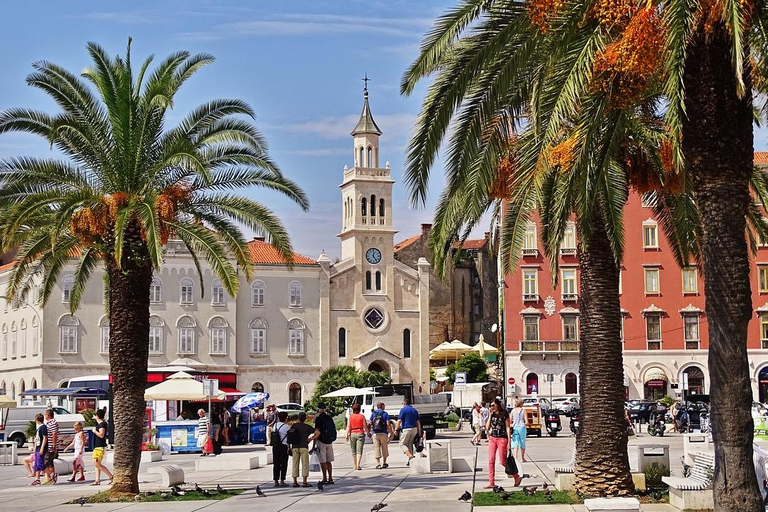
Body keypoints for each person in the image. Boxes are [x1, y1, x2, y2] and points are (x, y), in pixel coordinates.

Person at [485, 399, 522, 488]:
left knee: (503, 461)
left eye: (493, 405)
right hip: (492, 438)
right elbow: (487, 427)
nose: (491, 407)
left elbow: (508, 428)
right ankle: (491, 482)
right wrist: (490, 415)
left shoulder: (504, 414)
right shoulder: (492, 414)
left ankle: (516, 476)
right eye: (490, 406)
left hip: (502, 438)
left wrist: (509, 441)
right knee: (491, 460)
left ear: (498, 405)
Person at [311, 402, 336, 485]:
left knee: (323, 461)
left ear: (318, 409)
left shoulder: (318, 419)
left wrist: (314, 443)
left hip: (321, 441)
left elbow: (317, 432)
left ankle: (325, 478)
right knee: (329, 461)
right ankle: (331, 478)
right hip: (329, 441)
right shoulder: (329, 417)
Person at [288, 411, 314, 487]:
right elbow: (317, 432)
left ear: (298, 418)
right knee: (305, 464)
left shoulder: (294, 426)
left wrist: (289, 446)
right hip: (304, 446)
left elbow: (289, 436)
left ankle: (295, 481)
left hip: (295, 447)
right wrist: (310, 439)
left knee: (295, 464)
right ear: (305, 418)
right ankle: (304, 481)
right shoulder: (307, 427)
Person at [395, 398, 421, 466]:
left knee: (402, 444)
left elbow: (399, 420)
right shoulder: (414, 410)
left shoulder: (403, 410)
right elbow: (418, 422)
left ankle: (410, 456)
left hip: (406, 428)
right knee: (410, 444)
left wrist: (396, 430)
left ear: (404, 403)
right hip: (414, 428)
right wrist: (419, 432)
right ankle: (410, 461)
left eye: (402, 403)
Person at [91, 409, 113, 485]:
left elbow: (101, 434)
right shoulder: (100, 424)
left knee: (96, 463)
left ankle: (110, 476)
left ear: (98, 416)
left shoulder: (102, 424)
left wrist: (94, 431)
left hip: (100, 446)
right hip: (97, 446)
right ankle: (97, 480)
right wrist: (96, 418)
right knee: (97, 464)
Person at [369, 402, 393, 469]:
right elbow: (388, 424)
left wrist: (369, 431)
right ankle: (384, 462)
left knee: (376, 447)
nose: (384, 406)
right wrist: (391, 432)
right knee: (384, 447)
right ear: (381, 406)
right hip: (383, 433)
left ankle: (378, 463)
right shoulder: (385, 414)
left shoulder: (373, 413)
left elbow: (370, 422)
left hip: (375, 433)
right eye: (384, 405)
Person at [346, 403, 369, 470]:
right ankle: (358, 464)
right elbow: (365, 426)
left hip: (352, 433)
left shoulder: (350, 417)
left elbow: (348, 426)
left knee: (353, 450)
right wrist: (368, 432)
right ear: (359, 409)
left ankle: (354, 464)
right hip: (360, 433)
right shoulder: (362, 416)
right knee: (359, 450)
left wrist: (346, 435)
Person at [272, 411, 290, 487]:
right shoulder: (287, 427)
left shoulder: (275, 425)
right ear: (286, 418)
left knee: (276, 463)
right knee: (283, 463)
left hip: (275, 446)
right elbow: (289, 438)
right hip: (283, 446)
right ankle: (282, 480)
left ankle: (276, 480)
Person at [28, 413, 47, 485]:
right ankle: (37, 478)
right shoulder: (38, 428)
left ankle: (51, 474)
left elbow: (45, 438)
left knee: (40, 463)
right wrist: (35, 449)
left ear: (37, 420)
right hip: (37, 448)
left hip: (41, 448)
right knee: (36, 464)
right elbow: (36, 440)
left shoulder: (43, 427)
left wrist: (42, 448)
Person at [42, 408, 59, 484]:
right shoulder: (49, 423)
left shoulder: (53, 423)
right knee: (49, 462)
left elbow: (54, 434)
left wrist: (54, 444)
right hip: (49, 445)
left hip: (51, 446)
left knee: (46, 461)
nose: (45, 416)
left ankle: (52, 475)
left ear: (48, 415)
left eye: (45, 414)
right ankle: (50, 476)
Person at [510, 398, 528, 463]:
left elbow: (510, 420)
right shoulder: (523, 410)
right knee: (522, 442)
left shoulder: (513, 410)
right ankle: (522, 458)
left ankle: (515, 457)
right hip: (522, 427)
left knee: (515, 442)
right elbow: (526, 421)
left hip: (515, 427)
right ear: (521, 403)